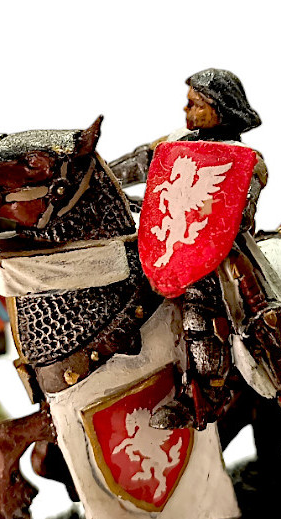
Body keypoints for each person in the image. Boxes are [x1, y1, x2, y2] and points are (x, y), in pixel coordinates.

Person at [114, 68, 266, 428]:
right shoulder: (173, 143)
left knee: (202, 299)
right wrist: (94, 174)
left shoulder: (245, 159)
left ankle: (206, 392)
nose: (186, 110)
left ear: (220, 109)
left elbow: (237, 220)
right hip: (166, 241)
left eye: (195, 104)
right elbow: (127, 169)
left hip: (216, 254)